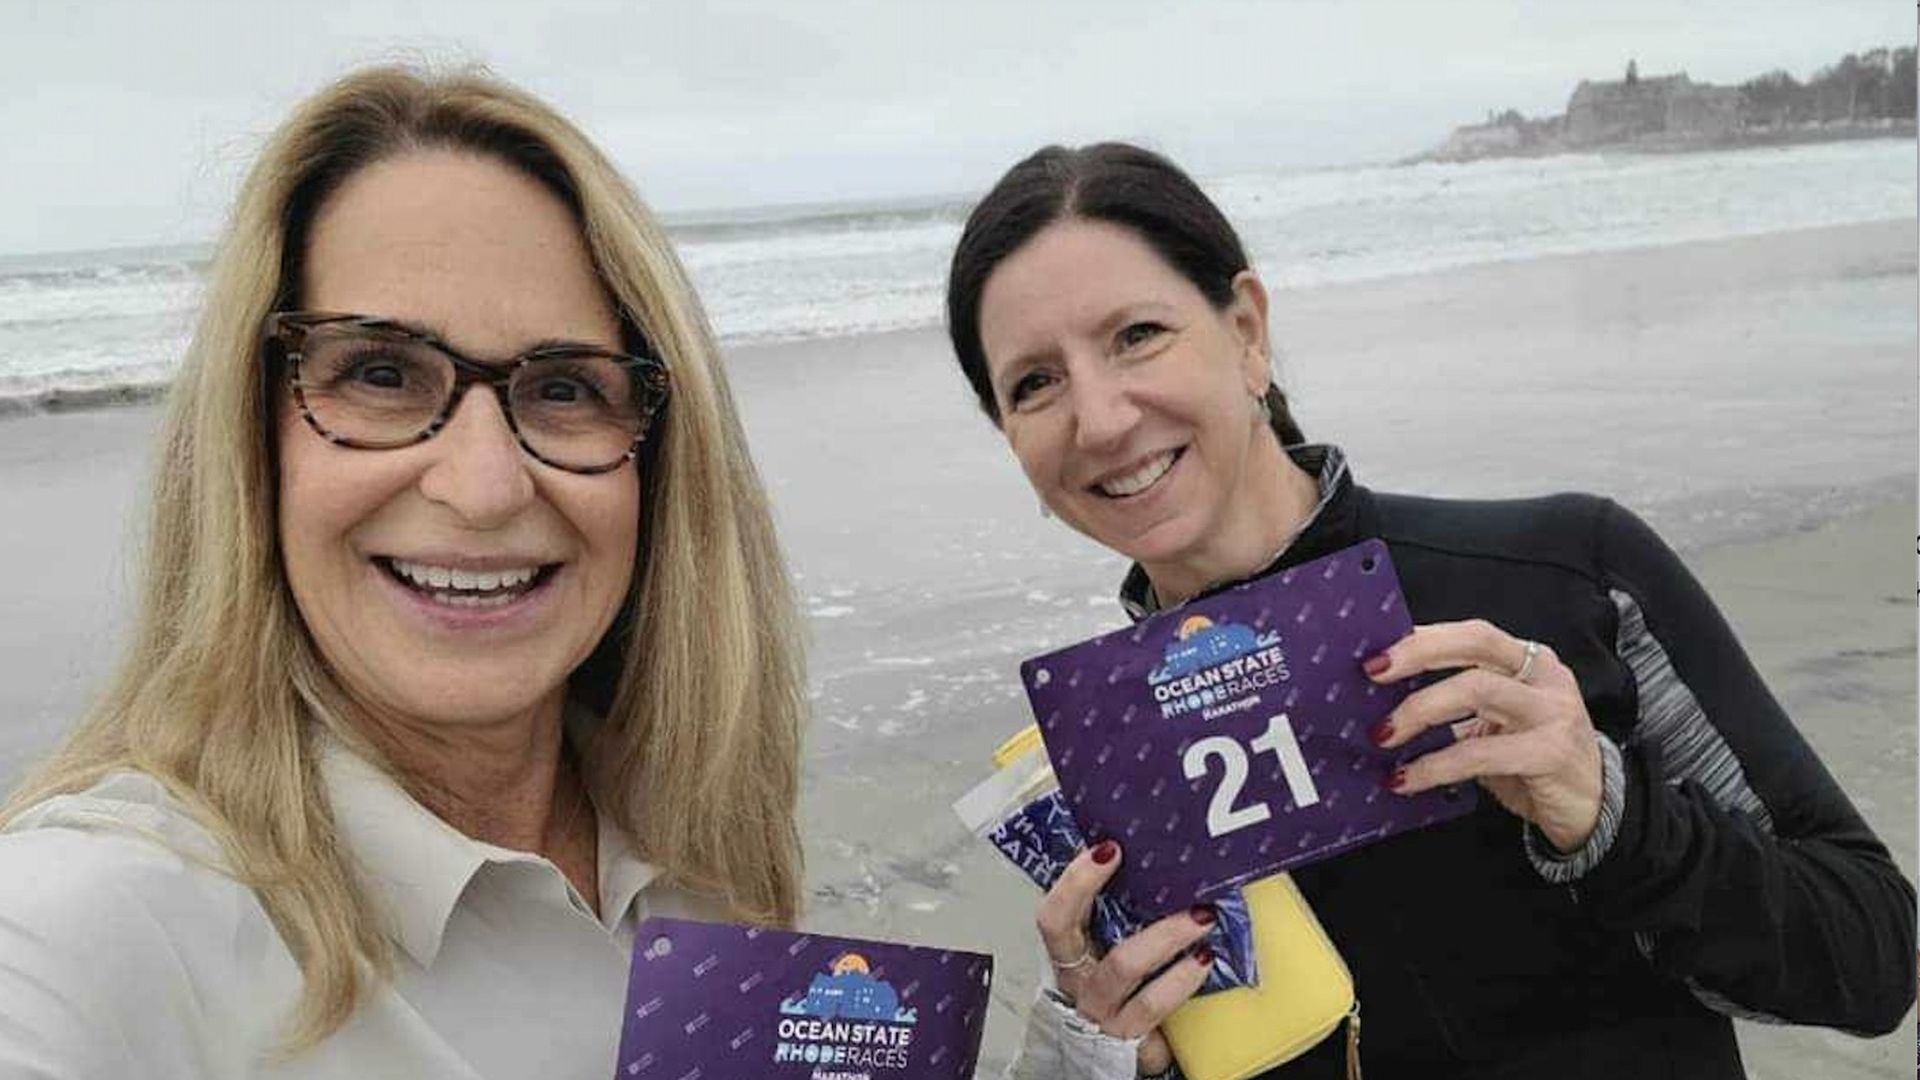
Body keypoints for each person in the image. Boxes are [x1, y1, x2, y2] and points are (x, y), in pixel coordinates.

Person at [944, 142, 1915, 1079]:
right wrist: (1104, 1051)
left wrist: (1609, 819)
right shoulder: (1106, 753)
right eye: (1035, 384)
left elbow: (1872, 964)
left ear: (1246, 331)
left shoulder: (1562, 576)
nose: (1102, 418)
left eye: (1136, 335)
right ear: (1009, 437)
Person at [0, 66, 806, 1078]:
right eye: (380, 374)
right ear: (251, 443)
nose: (483, 487)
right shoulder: (91, 931)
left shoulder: (699, 865)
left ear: (662, 468)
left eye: (564, 388)